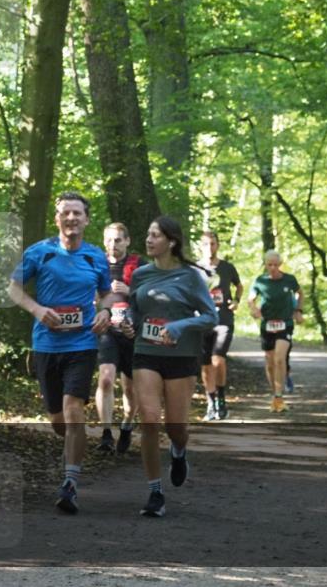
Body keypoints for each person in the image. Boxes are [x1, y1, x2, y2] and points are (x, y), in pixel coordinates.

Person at [9, 192, 112, 514]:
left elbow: (107, 294)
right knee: (58, 420)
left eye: (77, 213)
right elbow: (13, 288)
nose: (71, 219)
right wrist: (37, 309)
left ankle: (70, 481)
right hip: (46, 345)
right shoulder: (40, 252)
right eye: (66, 213)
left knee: (73, 408)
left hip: (82, 344)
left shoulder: (95, 256)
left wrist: (105, 312)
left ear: (86, 219)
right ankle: (71, 449)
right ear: (57, 219)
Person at [120, 216, 217, 517]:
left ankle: (178, 451)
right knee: (149, 419)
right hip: (146, 353)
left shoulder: (190, 277)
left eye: (155, 235)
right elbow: (136, 313)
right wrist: (128, 325)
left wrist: (179, 326)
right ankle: (155, 492)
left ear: (171, 241)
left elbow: (210, 317)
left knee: (176, 428)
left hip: (181, 357)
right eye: (148, 234)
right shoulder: (140, 274)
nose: (149, 240)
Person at [95, 222, 143, 455]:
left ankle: (126, 425)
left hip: (132, 333)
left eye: (118, 240)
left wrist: (129, 289)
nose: (113, 245)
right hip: (107, 332)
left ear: (127, 241)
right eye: (109, 240)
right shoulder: (97, 264)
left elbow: (151, 297)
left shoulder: (139, 266)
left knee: (131, 389)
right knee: (105, 378)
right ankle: (105, 433)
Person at [248, 250, 304, 413]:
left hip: (285, 324)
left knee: (279, 358)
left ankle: (279, 397)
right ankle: (275, 395)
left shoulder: (289, 280)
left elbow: (301, 293)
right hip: (267, 325)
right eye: (269, 264)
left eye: (275, 264)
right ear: (265, 264)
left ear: (280, 264)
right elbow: (251, 298)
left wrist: (298, 311)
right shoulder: (260, 281)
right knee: (270, 362)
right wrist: (254, 309)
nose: (273, 268)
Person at [198, 231, 243, 420]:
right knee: (206, 365)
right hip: (201, 321)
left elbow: (239, 286)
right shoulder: (195, 268)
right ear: (201, 246)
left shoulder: (227, 267)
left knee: (218, 360)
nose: (210, 248)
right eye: (206, 244)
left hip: (223, 320)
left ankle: (221, 399)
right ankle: (210, 402)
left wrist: (237, 301)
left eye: (213, 244)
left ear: (218, 245)